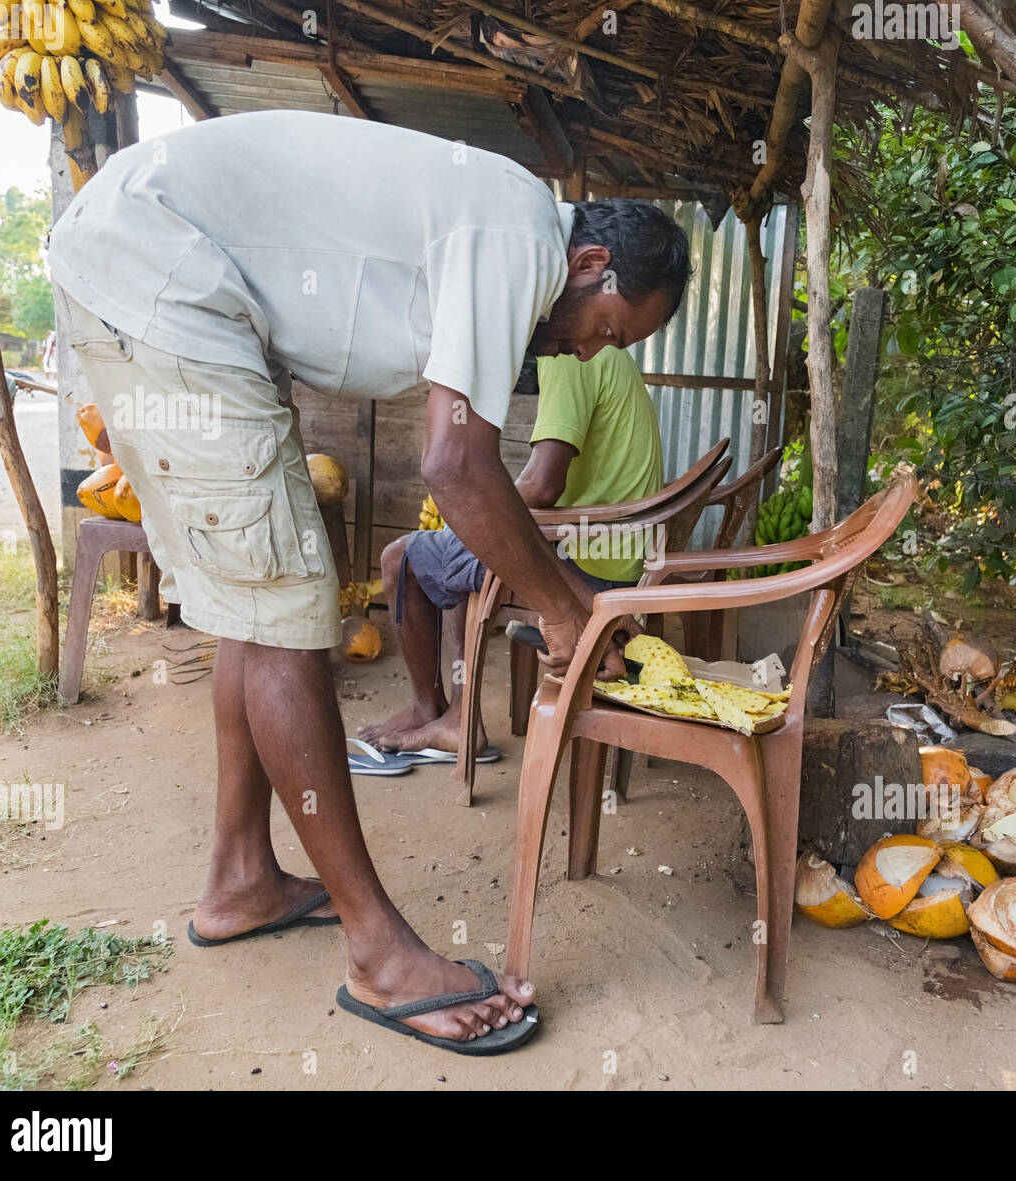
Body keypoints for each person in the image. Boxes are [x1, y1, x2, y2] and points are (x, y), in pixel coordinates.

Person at [47, 110, 691, 1055]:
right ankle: (380, 954)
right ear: (590, 265)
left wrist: (563, 597)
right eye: (604, 331)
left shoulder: (506, 228)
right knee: (290, 612)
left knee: (257, 600)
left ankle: (240, 878)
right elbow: (457, 464)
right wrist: (567, 611)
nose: (591, 352)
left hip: (160, 272)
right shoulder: (517, 236)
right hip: (156, 273)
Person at [360, 346, 663, 755]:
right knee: (464, 549)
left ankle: (434, 709)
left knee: (401, 557)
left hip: (586, 566)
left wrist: (472, 516)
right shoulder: (611, 354)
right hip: (615, 558)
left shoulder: (573, 354)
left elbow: (543, 485)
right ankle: (455, 715)